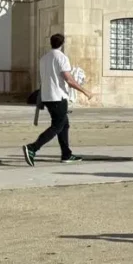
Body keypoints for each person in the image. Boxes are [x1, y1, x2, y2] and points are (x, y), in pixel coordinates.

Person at [22, 34, 92, 166]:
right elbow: (69, 79)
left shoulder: (44, 58)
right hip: (58, 97)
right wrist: (85, 91)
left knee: (64, 125)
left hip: (47, 96)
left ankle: (66, 154)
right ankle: (32, 148)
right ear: (62, 43)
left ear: (51, 43)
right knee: (57, 126)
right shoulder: (62, 58)